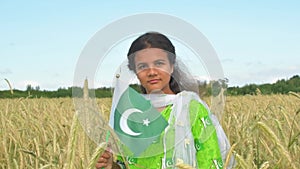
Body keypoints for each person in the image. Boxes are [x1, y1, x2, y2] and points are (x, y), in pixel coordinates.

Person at [96, 32, 234, 169]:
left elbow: (210, 161)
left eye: (159, 63)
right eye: (143, 66)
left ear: (172, 66)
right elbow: (126, 164)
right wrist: (111, 166)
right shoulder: (130, 113)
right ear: (135, 71)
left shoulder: (190, 107)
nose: (152, 72)